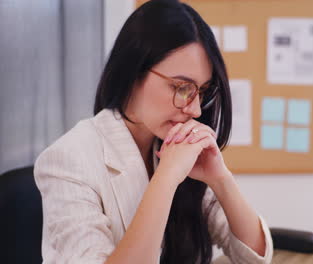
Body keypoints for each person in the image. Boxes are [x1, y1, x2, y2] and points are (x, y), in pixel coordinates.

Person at [33, 1, 273, 263]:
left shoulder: (178, 147)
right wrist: (167, 177)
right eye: (181, 87)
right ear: (133, 72)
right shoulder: (68, 160)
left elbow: (254, 258)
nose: (194, 109)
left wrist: (221, 179)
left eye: (201, 91)